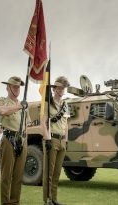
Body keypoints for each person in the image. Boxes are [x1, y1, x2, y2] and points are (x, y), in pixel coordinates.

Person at [0, 76, 29, 205]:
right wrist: (19, 106)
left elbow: (28, 124)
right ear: (8, 87)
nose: (17, 89)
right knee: (6, 175)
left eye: (18, 87)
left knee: (18, 176)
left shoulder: (23, 105)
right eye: (14, 86)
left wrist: (26, 138)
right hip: (9, 139)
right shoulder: (3, 100)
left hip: (22, 140)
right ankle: (6, 202)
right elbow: (2, 111)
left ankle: (15, 202)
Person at [42, 76, 70, 205]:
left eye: (64, 88)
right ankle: (47, 199)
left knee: (57, 172)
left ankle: (54, 198)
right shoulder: (48, 103)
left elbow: (67, 123)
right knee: (49, 171)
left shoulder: (65, 105)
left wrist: (66, 140)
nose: (63, 90)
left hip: (61, 141)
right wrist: (47, 138)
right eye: (61, 88)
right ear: (55, 89)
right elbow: (44, 122)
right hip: (51, 139)